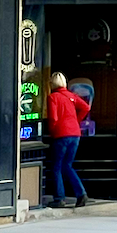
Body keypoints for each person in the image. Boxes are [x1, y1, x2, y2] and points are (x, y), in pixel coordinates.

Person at [44, 72, 90, 208]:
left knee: (57, 166)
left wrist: (52, 131)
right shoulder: (71, 96)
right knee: (67, 165)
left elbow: (53, 118)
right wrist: (76, 121)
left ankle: (59, 198)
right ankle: (81, 193)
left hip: (61, 134)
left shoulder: (53, 97)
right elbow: (86, 107)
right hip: (75, 134)